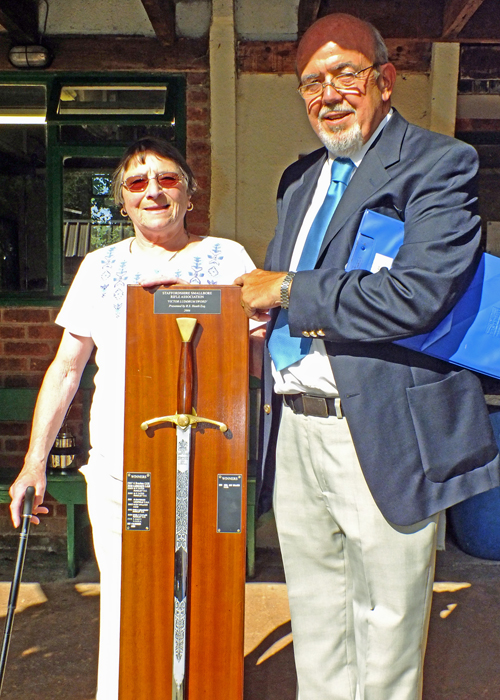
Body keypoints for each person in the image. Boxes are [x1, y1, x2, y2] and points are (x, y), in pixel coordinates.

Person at [235, 13, 500, 700]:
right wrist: (272, 320)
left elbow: (417, 296)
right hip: (296, 425)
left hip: (382, 428)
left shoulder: (438, 165)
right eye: (311, 83)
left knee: (386, 622)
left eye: (345, 74)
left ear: (383, 79)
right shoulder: (299, 179)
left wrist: (289, 288)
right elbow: (300, 294)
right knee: (318, 612)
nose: (329, 93)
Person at [9, 137, 256, 700]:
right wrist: (33, 464)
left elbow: (256, 350)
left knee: (211, 599)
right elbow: (67, 368)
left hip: (212, 466)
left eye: (168, 180)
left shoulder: (229, 257)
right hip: (128, 469)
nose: (153, 191)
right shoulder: (101, 266)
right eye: (138, 183)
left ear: (190, 193)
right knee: (131, 604)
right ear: (122, 200)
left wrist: (201, 307)